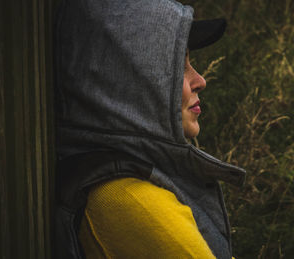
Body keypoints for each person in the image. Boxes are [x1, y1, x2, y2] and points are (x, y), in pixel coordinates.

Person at [53, 0, 246, 258]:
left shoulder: (135, 179)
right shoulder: (129, 200)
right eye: (180, 67)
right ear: (129, 84)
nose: (200, 81)